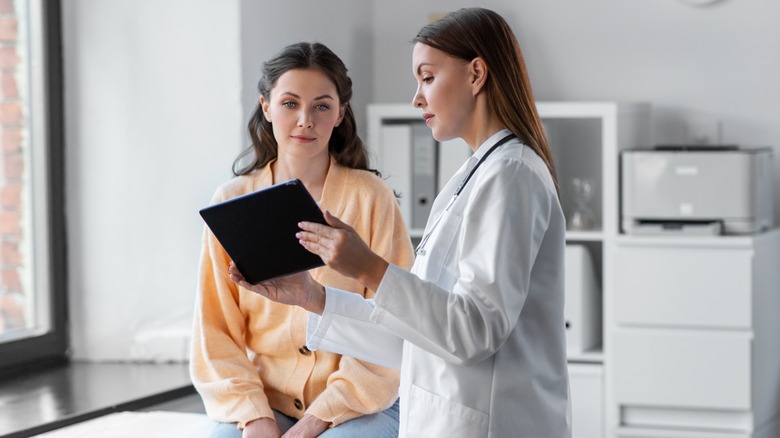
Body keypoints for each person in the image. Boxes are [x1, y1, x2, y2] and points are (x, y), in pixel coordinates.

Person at [230, 7, 571, 438]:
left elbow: (473, 332)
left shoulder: (511, 175)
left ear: (476, 73)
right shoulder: (477, 175)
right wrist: (314, 297)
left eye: (427, 77)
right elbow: (415, 338)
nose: (417, 97)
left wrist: (367, 266)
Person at [191, 42, 415, 438]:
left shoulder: (370, 197)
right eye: (290, 104)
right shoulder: (232, 202)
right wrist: (254, 415)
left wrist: (318, 419)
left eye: (322, 106)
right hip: (265, 400)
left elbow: (397, 321)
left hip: (363, 400)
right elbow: (215, 333)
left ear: (341, 113)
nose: (305, 120)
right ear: (266, 107)